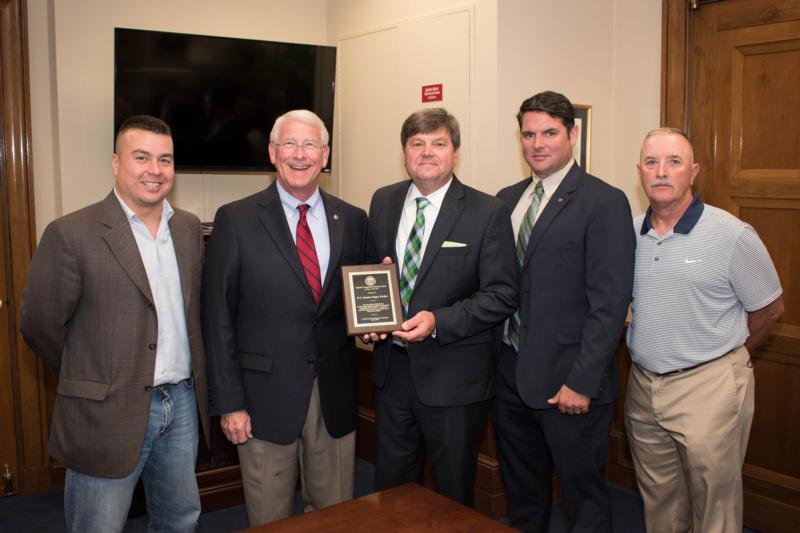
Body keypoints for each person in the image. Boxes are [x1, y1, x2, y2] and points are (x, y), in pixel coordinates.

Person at [20, 115, 210, 533]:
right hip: (105, 412)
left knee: (180, 519)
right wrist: (87, 377)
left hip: (179, 405)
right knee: (98, 526)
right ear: (114, 162)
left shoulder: (188, 229)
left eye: (165, 159)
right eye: (141, 157)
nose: (154, 170)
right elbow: (39, 324)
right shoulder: (72, 233)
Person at [202, 109, 369, 526]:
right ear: (273, 153)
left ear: (325, 154)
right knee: (270, 517)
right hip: (261, 400)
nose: (300, 154)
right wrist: (230, 403)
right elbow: (217, 317)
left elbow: (356, 301)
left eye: (310, 144)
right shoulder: (235, 219)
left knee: (334, 515)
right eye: (290, 144)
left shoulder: (352, 218)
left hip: (333, 394)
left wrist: (378, 314)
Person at [625, 128, 783, 533]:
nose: (661, 172)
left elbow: (769, 309)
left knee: (715, 504)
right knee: (658, 499)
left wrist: (728, 355)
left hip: (709, 386)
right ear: (639, 171)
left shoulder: (731, 234)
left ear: (692, 172)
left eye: (674, 162)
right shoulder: (628, 232)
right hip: (643, 388)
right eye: (651, 162)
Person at [494, 91, 635, 532]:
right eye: (529, 134)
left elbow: (609, 304)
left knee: (583, 500)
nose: (537, 144)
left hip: (569, 385)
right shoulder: (506, 199)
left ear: (572, 133)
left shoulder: (603, 201)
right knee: (524, 495)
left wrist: (582, 381)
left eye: (549, 133)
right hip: (509, 377)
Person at [365, 107, 518, 506]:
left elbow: (501, 294)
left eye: (438, 143)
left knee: (450, 495)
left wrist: (437, 321)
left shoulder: (488, 212)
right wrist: (372, 316)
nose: (427, 152)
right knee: (392, 490)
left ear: (455, 153)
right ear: (404, 152)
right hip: (392, 372)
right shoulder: (383, 201)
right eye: (418, 143)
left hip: (454, 379)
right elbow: (370, 277)